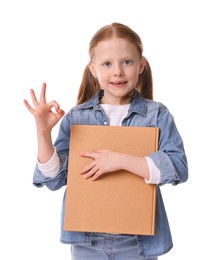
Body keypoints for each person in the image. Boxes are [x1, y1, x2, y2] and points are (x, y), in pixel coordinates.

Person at [24, 22, 188, 260]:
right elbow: (54, 179)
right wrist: (42, 133)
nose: (118, 71)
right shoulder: (77, 117)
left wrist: (120, 160)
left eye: (127, 62)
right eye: (107, 64)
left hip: (139, 241)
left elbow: (178, 168)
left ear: (141, 65)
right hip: (87, 241)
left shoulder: (157, 115)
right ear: (93, 68)